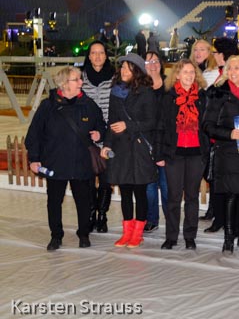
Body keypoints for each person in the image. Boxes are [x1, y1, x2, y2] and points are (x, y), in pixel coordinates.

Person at [26, 66, 106, 251]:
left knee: (84, 201)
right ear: (64, 84)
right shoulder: (48, 106)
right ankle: (56, 236)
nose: (81, 82)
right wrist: (34, 158)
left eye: (80, 79)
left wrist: (99, 134)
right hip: (55, 163)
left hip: (81, 163)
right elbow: (34, 135)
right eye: (76, 79)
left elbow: (101, 125)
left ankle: (84, 234)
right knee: (54, 202)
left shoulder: (89, 104)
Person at [203, 55, 239, 253]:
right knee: (231, 194)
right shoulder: (218, 92)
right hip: (227, 151)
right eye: (230, 68)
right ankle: (228, 238)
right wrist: (229, 134)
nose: (233, 72)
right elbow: (207, 125)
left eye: (237, 68)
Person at [101, 53, 157, 248]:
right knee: (125, 191)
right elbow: (111, 121)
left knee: (140, 192)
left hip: (139, 148)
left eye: (128, 67)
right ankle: (127, 232)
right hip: (121, 148)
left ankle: (137, 234)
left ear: (137, 71)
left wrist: (128, 125)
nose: (124, 70)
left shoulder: (146, 92)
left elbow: (152, 122)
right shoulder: (115, 92)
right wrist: (107, 144)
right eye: (122, 67)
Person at [156, 59, 209, 250]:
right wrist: (158, 155)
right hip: (174, 153)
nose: (189, 75)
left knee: (192, 197)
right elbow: (160, 127)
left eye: (192, 72)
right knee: (173, 197)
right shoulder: (168, 98)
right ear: (177, 75)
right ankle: (171, 237)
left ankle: (190, 236)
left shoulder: (202, 97)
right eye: (185, 72)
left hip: (196, 153)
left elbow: (207, 126)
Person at [201, 37, 239, 233]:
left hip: (231, 137)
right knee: (216, 179)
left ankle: (225, 219)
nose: (213, 56)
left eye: (215, 52)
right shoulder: (215, 76)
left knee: (224, 181)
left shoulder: (229, 77)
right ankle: (218, 215)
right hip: (217, 136)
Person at [81, 41, 114, 233]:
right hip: (87, 137)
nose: (97, 56)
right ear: (89, 56)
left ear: (106, 56)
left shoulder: (115, 77)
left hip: (110, 136)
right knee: (88, 179)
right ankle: (91, 213)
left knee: (106, 178)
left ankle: (102, 215)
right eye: (94, 53)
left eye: (101, 52)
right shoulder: (81, 77)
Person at [143, 51, 168, 233]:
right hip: (146, 142)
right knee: (150, 186)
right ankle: (151, 219)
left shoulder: (170, 85)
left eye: (156, 61)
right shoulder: (140, 88)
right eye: (148, 62)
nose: (152, 65)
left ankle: (171, 220)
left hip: (167, 143)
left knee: (167, 186)